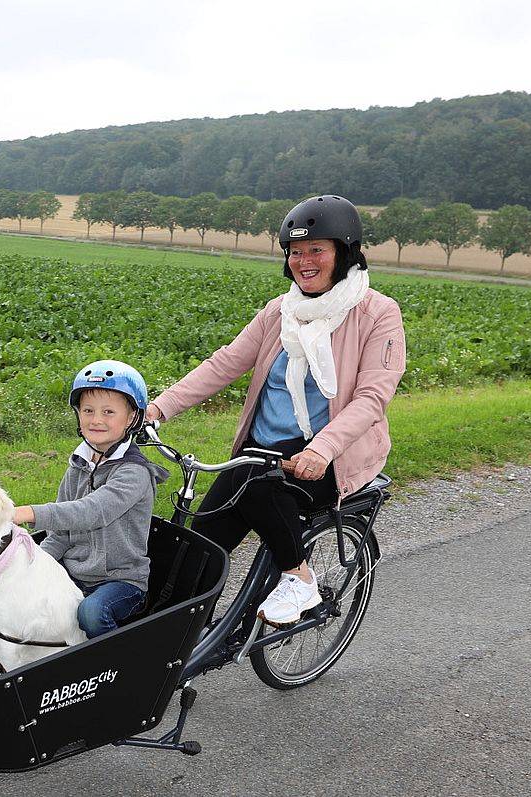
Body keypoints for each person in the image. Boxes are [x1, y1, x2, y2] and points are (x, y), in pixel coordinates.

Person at [145, 195, 407, 626]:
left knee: (256, 486)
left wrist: (321, 450)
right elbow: (225, 362)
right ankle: (177, 643)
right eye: (296, 252)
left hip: (326, 458)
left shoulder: (377, 313)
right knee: (194, 553)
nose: (304, 261)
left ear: (345, 252)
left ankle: (299, 578)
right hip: (260, 453)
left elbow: (372, 398)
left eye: (317, 250)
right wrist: (157, 409)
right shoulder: (280, 312)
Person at [13, 360, 170, 637]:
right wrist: (34, 569)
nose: (96, 420)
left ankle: (115, 665)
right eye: (88, 410)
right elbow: (60, 533)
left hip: (121, 581)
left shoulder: (134, 473)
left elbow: (92, 511)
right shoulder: (78, 466)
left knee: (91, 612)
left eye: (109, 412)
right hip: (75, 574)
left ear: (132, 418)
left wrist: (28, 512)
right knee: (29, 602)